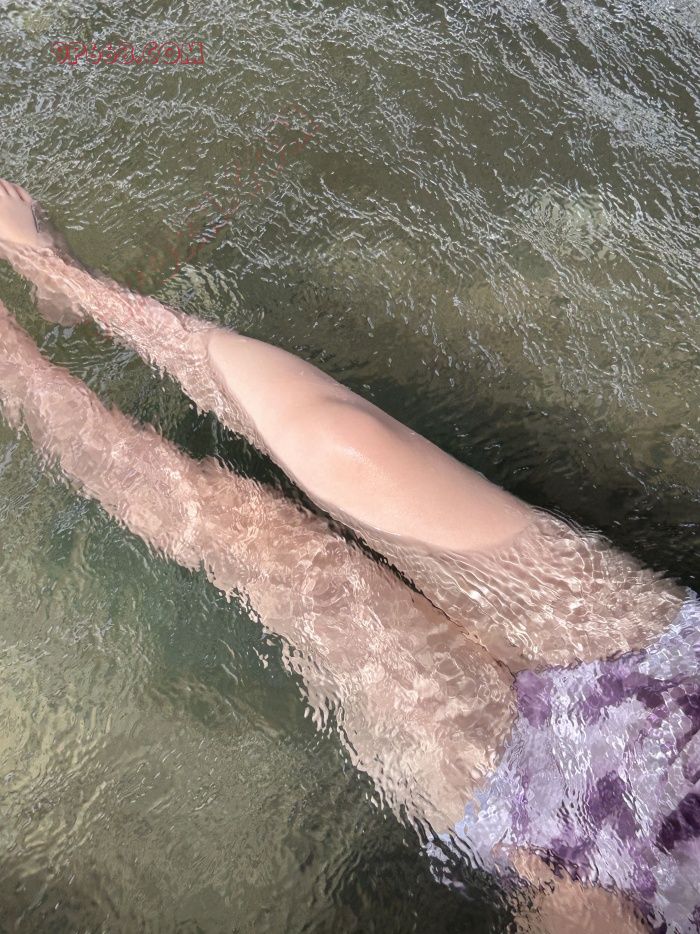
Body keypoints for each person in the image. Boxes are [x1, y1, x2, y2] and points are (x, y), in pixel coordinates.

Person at [0, 179, 697, 933]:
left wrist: (557, 900)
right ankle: (64, 280)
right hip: (668, 680)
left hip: (569, 843)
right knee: (347, 442)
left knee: (264, 546)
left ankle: (13, 370)